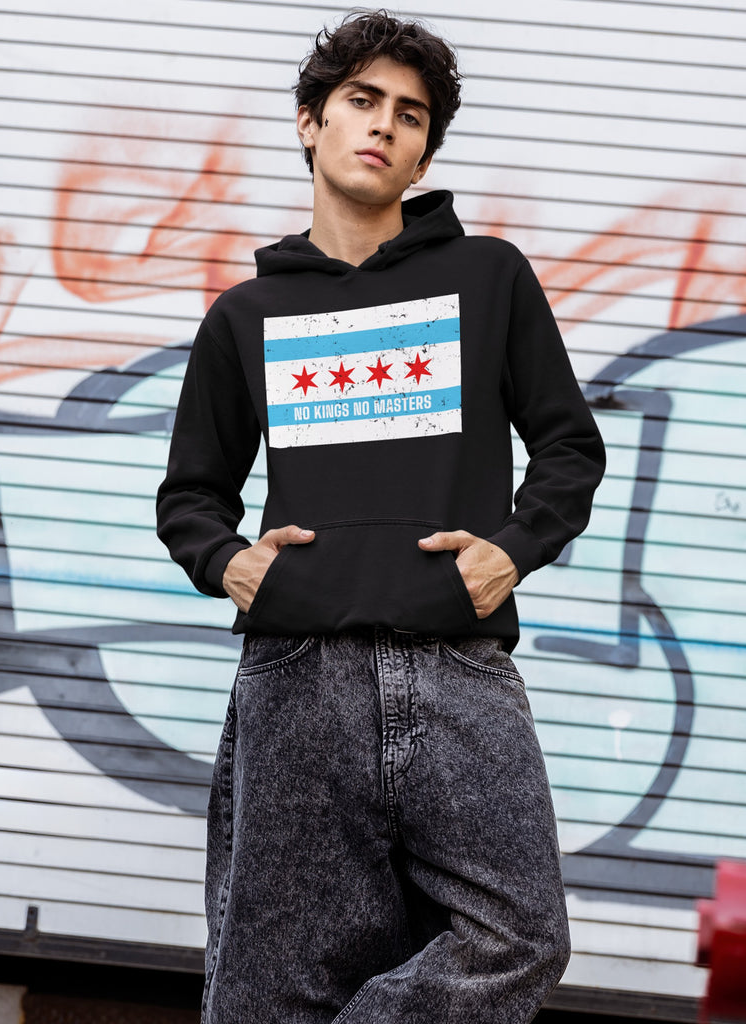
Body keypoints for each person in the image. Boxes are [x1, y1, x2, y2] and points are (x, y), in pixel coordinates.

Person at [156, 10, 605, 1023]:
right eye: (362, 101)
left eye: (410, 115)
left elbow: (570, 446)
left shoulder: (486, 275)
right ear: (311, 122)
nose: (385, 126)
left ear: (423, 151)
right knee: (272, 984)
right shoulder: (244, 317)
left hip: (459, 667)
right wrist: (231, 564)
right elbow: (190, 497)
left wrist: (513, 551)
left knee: (518, 937)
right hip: (296, 675)